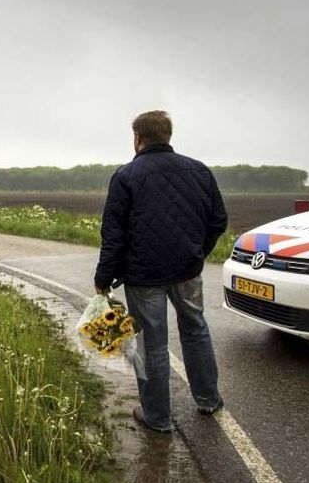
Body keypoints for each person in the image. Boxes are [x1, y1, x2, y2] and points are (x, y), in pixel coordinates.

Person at [94, 110, 227, 433]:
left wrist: (103, 277)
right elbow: (218, 221)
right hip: (187, 271)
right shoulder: (199, 171)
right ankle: (208, 399)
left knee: (152, 343)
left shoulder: (126, 176)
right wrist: (197, 254)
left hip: (143, 277)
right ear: (167, 135)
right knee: (196, 329)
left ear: (137, 138)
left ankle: (157, 416)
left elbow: (114, 235)